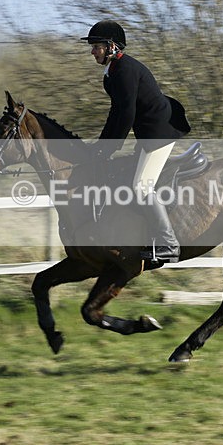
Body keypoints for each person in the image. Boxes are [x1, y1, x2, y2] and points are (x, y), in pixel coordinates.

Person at [81, 20, 190, 263]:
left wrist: (110, 147)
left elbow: (127, 115)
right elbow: (115, 113)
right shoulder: (113, 72)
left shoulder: (124, 70)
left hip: (160, 132)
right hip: (149, 132)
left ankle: (169, 244)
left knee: (140, 187)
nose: (91, 51)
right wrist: (101, 147)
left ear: (110, 47)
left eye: (96, 46)